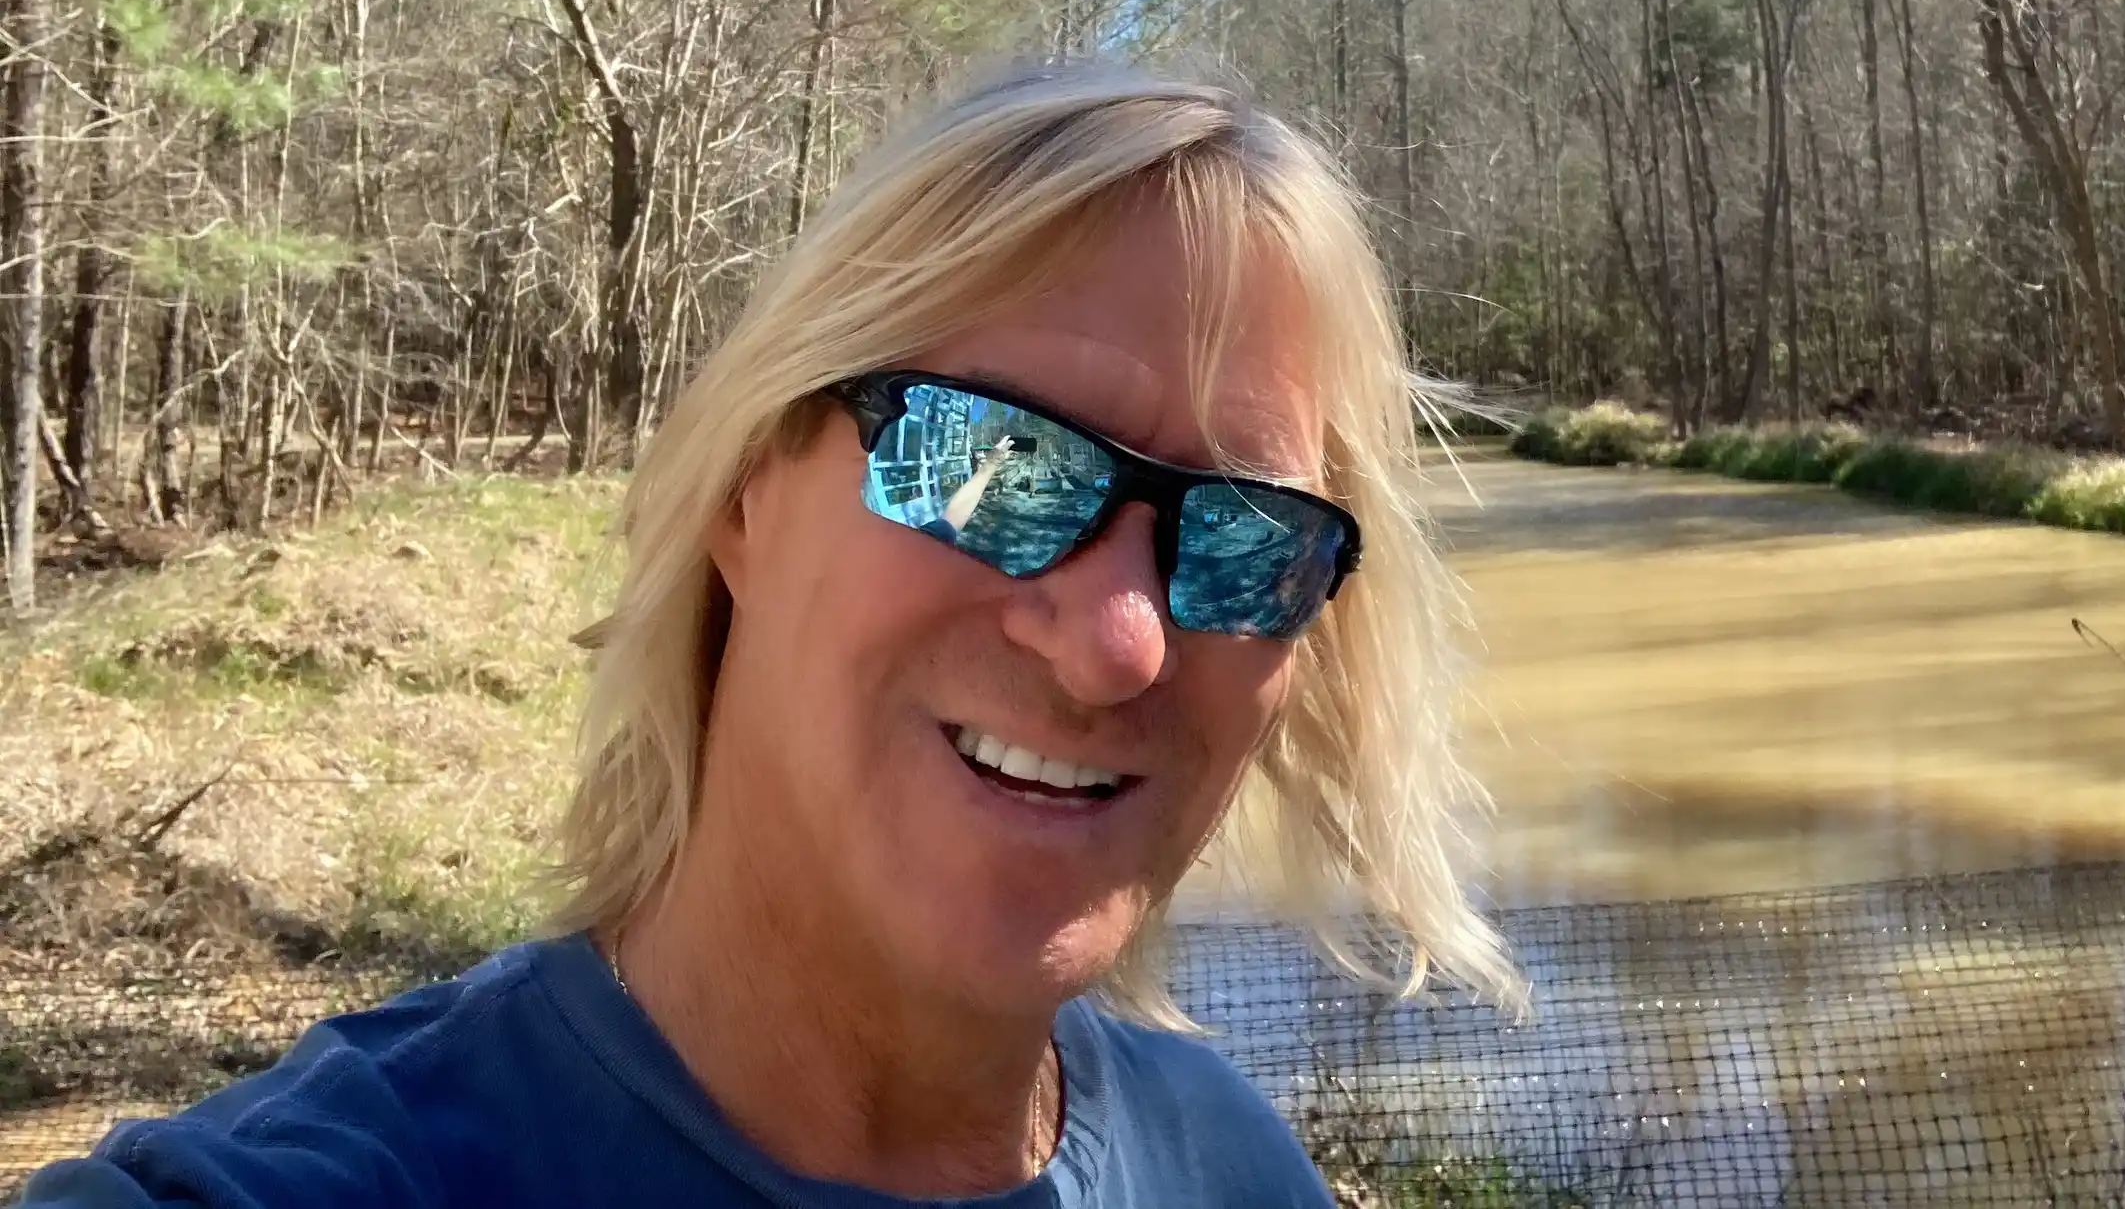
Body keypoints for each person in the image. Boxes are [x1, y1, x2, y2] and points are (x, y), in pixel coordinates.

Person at [23, 63, 1522, 1208]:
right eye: (994, 463)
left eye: (1249, 537)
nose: (1119, 643)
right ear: (749, 486)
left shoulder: (1230, 1168)